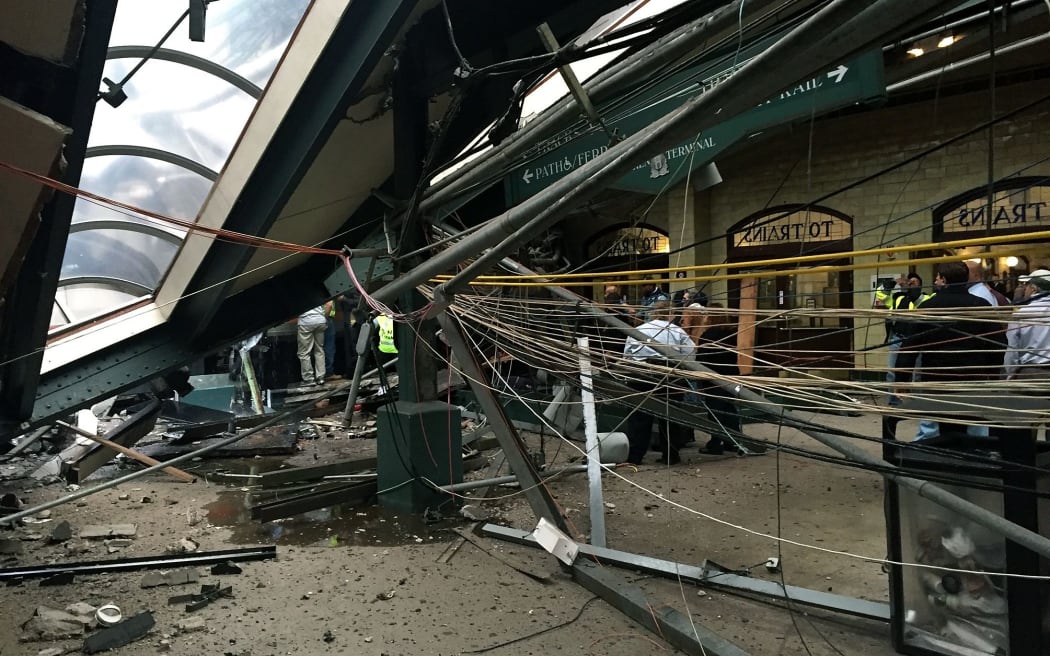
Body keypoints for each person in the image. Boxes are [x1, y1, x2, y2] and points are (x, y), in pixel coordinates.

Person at [897, 261, 1006, 439]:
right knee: (974, 427)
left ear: (944, 280)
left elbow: (910, 347)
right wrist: (990, 375)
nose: (935, 281)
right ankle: (977, 459)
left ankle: (931, 460)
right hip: (972, 380)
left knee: (933, 428)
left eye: (938, 278)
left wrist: (902, 380)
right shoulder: (981, 306)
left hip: (935, 381)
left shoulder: (928, 307)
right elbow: (998, 343)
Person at [623, 301, 696, 465]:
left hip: (641, 373)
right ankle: (671, 455)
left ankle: (635, 456)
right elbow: (690, 353)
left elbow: (627, 353)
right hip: (670, 375)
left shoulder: (641, 329)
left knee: (639, 417)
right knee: (670, 417)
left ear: (654, 313)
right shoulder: (677, 331)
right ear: (671, 314)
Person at [693, 303, 742, 454]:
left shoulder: (708, 334)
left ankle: (716, 443)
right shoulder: (731, 332)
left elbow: (702, 358)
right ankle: (734, 442)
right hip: (730, 374)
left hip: (713, 377)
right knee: (729, 408)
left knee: (715, 411)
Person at [878, 273, 930, 409]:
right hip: (897, 338)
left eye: (914, 282)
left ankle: (919, 404)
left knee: (917, 374)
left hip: (916, 339)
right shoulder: (898, 298)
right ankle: (894, 403)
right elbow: (881, 295)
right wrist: (891, 283)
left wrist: (910, 289)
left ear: (920, 284)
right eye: (909, 282)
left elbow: (918, 302)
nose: (910, 284)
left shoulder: (926, 298)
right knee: (891, 371)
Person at [1004, 269, 1050, 383]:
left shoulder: (1021, 314)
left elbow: (1012, 349)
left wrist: (1010, 374)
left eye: (1027, 285)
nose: (1025, 289)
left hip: (1030, 373)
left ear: (1034, 289)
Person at [296, 305, 327, 385]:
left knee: (304, 353)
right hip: (320, 321)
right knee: (319, 349)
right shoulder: (317, 292)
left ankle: (309, 379)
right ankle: (320, 377)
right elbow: (329, 305)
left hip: (306, 322)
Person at [322, 299, 337, 378]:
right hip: (326, 318)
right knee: (329, 347)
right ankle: (328, 372)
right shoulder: (328, 290)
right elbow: (329, 305)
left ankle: (321, 373)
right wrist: (324, 318)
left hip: (321, 318)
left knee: (320, 348)